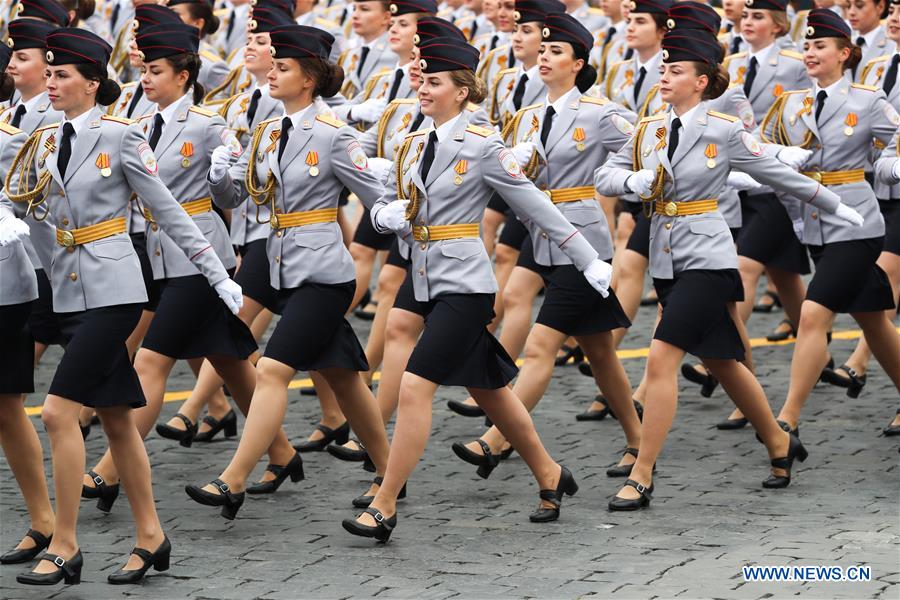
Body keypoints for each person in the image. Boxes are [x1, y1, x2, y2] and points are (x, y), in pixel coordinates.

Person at [342, 35, 614, 542]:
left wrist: (587, 257)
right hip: (423, 274)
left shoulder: (485, 146)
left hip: (464, 284)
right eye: (422, 80)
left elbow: (535, 205)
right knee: (490, 390)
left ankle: (385, 500)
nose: (423, 89)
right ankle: (550, 473)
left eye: (434, 82)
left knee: (415, 386)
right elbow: (392, 205)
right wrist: (383, 215)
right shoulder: (413, 142)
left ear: (462, 91)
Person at [4, 27, 241, 585]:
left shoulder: (121, 136)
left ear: (92, 83)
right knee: (116, 419)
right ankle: (151, 535)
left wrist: (215, 272)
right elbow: (25, 204)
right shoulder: (44, 140)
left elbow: (170, 210)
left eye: (62, 75)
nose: (51, 83)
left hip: (115, 292)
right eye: (49, 73)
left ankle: (65, 543)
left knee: (58, 412)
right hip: (68, 292)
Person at [594, 20, 864, 510]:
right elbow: (605, 174)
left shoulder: (723, 129)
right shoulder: (649, 129)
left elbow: (779, 175)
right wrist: (631, 182)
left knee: (661, 357)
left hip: (708, 258)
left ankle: (642, 472)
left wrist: (835, 205)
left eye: (676, 71)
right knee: (723, 361)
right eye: (664, 70)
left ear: (701, 81)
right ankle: (779, 442)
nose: (664, 77)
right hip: (667, 260)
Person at [185, 24, 392, 520]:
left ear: (309, 79)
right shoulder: (267, 132)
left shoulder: (336, 136)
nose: (271, 74)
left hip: (322, 272)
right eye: (272, 66)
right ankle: (390, 471)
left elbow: (378, 201)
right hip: (278, 264)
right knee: (344, 377)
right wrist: (219, 173)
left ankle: (233, 478)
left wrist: (399, 219)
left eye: (282, 68)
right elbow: (237, 196)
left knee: (273, 369)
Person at [78, 21, 270, 514]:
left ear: (184, 76)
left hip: (200, 256)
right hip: (158, 252)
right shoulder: (139, 123)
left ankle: (108, 472)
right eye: (143, 69)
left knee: (151, 359)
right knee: (229, 361)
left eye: (156, 70)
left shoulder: (208, 124)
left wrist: (221, 174)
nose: (145, 78)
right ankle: (283, 453)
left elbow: (233, 195)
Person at [451, 12, 641, 480]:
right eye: (544, 50)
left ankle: (496, 440)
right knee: (601, 353)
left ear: (578, 64)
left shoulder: (600, 113)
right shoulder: (529, 116)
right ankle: (639, 441)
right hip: (542, 239)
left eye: (557, 51)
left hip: (584, 243)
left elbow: (647, 144)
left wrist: (620, 178)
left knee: (540, 347)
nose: (545, 57)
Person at [763, 8, 900, 435]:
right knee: (873, 320)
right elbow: (760, 148)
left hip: (856, 224)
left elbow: (894, 140)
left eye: (820, 46)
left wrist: (890, 166)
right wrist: (780, 155)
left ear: (844, 53)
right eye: (807, 45)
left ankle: (786, 421)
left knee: (812, 313)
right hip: (814, 222)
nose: (810, 52)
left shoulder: (866, 100)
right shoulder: (791, 103)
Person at [821, 0, 900, 406]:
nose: (895, 19)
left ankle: (858, 361)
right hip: (879, 187)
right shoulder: (875, 66)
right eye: (895, 11)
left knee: (887, 271)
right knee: (874, 293)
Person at [0, 43, 55, 568]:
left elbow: (42, 211)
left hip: (5, 289)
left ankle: (43, 520)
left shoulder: (11, 141)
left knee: (6, 407)